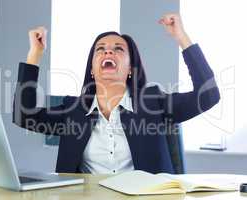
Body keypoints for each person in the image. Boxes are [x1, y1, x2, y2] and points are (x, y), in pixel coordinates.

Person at [13, 13, 220, 174]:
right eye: (100, 49)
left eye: (118, 49)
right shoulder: (72, 110)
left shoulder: (154, 102)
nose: (108, 51)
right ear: (92, 68)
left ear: (130, 69)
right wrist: (35, 55)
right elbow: (24, 115)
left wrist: (181, 37)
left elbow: (208, 95)